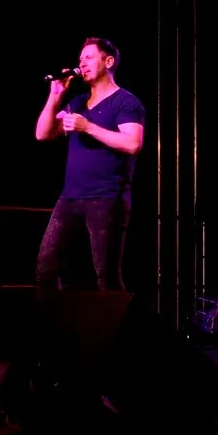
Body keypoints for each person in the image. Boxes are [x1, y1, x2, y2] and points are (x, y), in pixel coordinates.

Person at [34, 37, 145, 294]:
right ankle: (56, 319)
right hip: (70, 198)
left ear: (109, 62)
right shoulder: (78, 102)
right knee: (45, 271)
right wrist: (55, 97)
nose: (82, 63)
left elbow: (132, 144)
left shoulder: (126, 102)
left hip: (106, 198)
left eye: (89, 57)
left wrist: (88, 127)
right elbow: (42, 134)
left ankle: (121, 321)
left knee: (107, 278)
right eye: (80, 59)